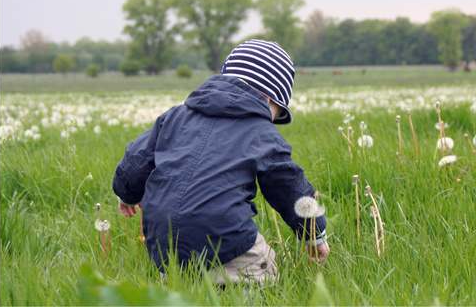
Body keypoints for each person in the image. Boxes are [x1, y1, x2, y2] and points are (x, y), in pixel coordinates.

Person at [113, 40, 329, 284]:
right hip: (226, 247)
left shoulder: (173, 117)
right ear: (270, 99)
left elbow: (134, 165)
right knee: (268, 269)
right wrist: (313, 233)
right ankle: (243, 289)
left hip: (165, 248)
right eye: (277, 114)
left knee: (179, 280)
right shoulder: (262, 132)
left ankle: (180, 287)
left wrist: (127, 195)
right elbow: (290, 187)